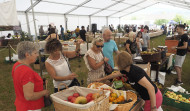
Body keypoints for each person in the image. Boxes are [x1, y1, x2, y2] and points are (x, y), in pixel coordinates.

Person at [96, 51, 163, 111]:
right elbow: (115, 74)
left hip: (153, 98)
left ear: (120, 64)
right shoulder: (127, 69)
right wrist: (101, 79)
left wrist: (153, 107)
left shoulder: (135, 72)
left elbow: (151, 88)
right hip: (150, 98)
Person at [12, 41, 49, 111]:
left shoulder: (16, 65)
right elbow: (29, 96)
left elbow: (22, 82)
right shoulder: (26, 71)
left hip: (22, 105)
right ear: (27, 55)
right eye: (35, 53)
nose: (37, 55)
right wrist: (44, 92)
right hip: (30, 107)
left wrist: (40, 82)